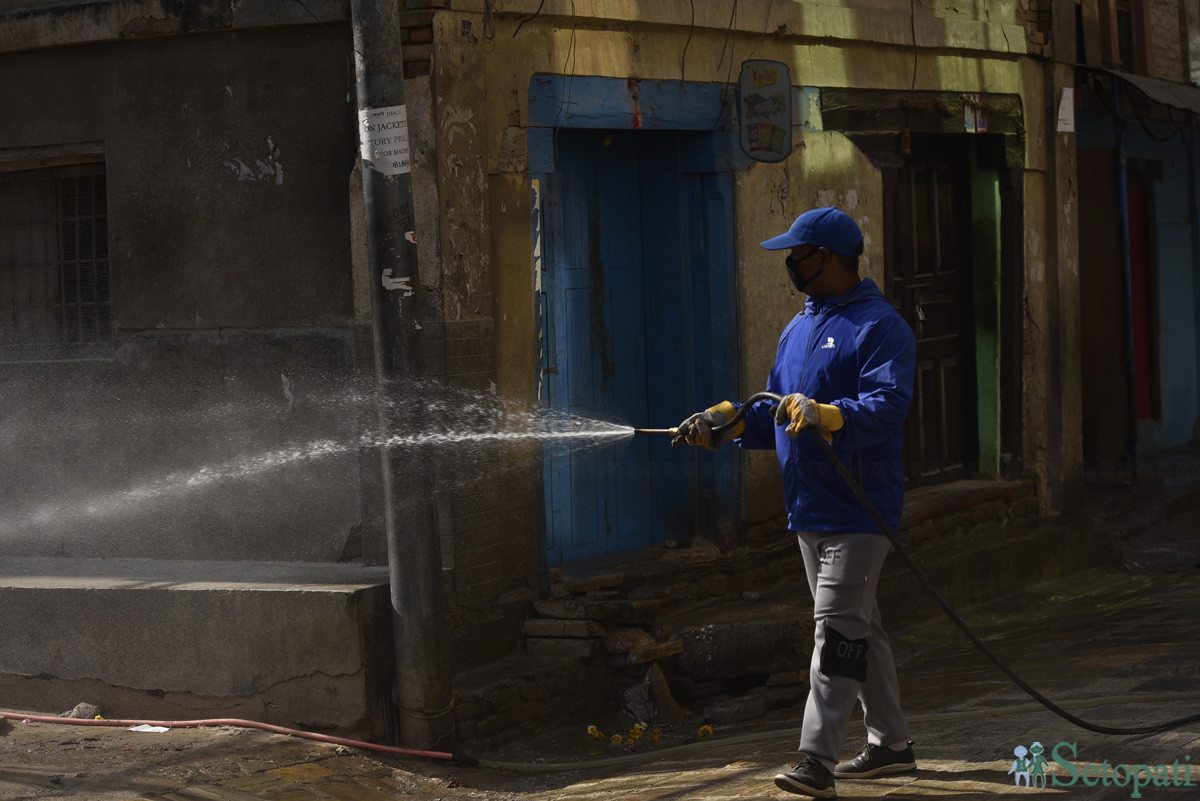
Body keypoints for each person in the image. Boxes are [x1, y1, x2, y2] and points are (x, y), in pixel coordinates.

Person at [674, 207, 918, 799]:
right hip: (808, 507)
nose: (790, 263)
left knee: (835, 634)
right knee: (860, 626)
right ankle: (892, 745)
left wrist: (828, 414)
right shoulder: (798, 328)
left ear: (826, 258)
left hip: (859, 509)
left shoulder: (880, 327)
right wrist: (723, 425)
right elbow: (772, 411)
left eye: (798, 253)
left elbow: (888, 406)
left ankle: (816, 760)